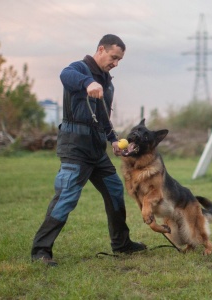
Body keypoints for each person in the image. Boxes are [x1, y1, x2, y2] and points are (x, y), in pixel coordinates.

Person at [31, 34, 147, 266]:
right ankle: (40, 252)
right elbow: (65, 75)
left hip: (96, 149)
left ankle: (121, 245)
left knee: (115, 190)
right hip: (75, 146)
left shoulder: (107, 82)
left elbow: (103, 116)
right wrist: (87, 83)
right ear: (101, 49)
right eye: (114, 57)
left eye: (119, 60)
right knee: (66, 197)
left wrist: (113, 139)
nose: (116, 63)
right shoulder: (79, 69)